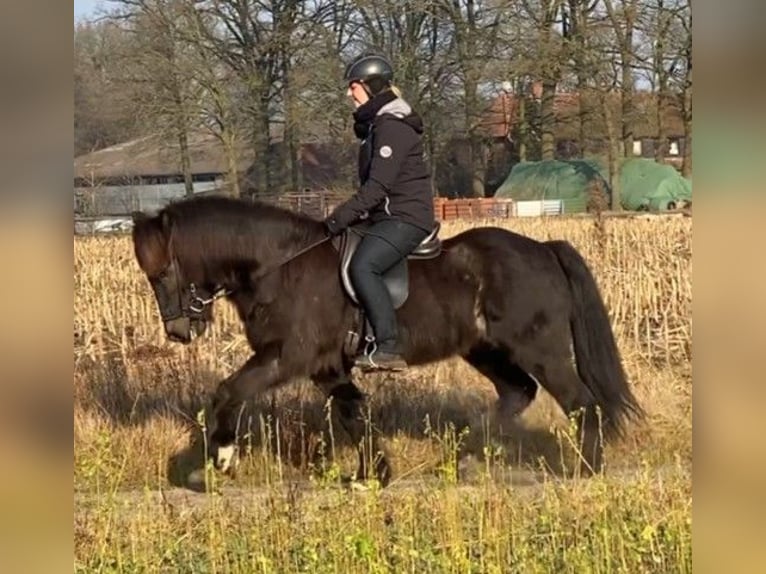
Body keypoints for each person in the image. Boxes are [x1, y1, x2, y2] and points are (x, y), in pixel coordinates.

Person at [323, 52, 436, 372]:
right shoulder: (376, 127)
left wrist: (337, 218)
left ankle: (387, 345)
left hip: (405, 218)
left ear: (370, 87)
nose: (349, 93)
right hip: (386, 216)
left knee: (363, 266)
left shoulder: (392, 127)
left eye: (353, 86)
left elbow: (377, 189)